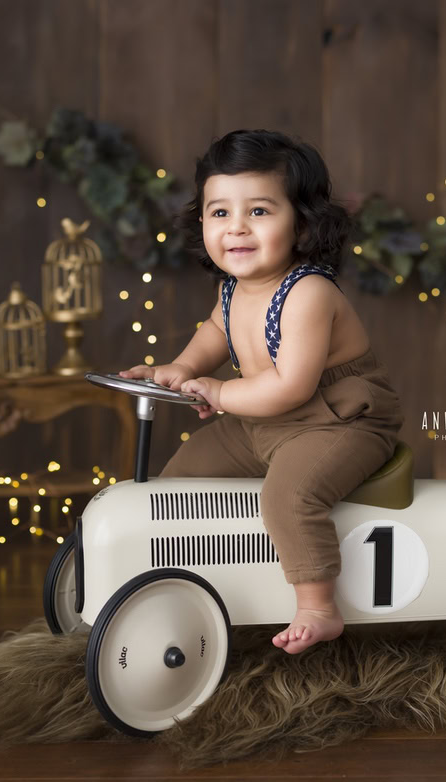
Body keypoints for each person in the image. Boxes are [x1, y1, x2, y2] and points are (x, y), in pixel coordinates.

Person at [119, 130, 405, 655]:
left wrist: (219, 392)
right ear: (202, 222)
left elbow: (291, 386)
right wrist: (182, 367)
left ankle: (318, 605)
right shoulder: (232, 286)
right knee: (182, 476)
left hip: (340, 421)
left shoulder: (308, 292)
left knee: (289, 497)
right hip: (263, 420)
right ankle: (186, 580)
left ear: (302, 222)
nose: (236, 227)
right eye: (220, 212)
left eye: (258, 211)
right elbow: (216, 330)